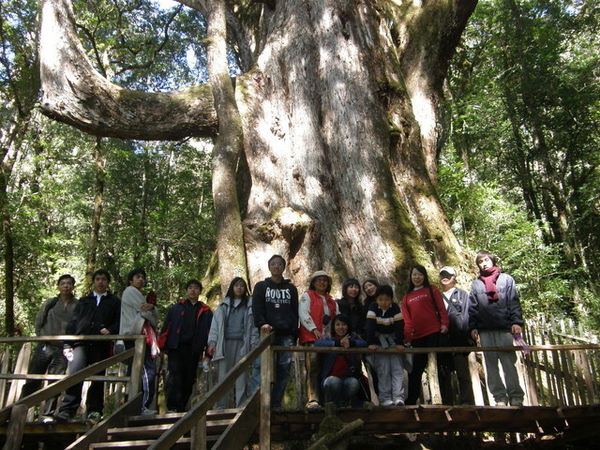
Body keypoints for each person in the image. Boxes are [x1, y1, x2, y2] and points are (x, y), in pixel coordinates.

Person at [54, 269, 121, 423]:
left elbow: (119, 320)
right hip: (81, 343)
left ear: (108, 283)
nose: (100, 282)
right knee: (76, 375)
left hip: (100, 344)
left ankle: (95, 410)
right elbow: (74, 321)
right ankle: (67, 410)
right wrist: (67, 343)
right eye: (97, 279)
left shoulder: (114, 301)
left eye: (103, 279)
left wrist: (110, 330)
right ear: (93, 282)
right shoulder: (84, 300)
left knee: (98, 377)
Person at [468, 251, 525, 407]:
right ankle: (499, 397)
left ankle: (516, 396)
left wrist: (516, 322)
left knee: (508, 363)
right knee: (490, 365)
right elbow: (473, 308)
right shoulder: (476, 284)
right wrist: (473, 327)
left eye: (486, 260)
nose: (484, 263)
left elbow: (514, 302)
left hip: (504, 328)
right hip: (485, 330)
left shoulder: (506, 280)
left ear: (492, 260)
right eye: (480, 262)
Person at [20, 274, 78, 422]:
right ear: (58, 286)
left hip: (63, 349)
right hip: (45, 346)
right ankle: (19, 409)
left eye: (69, 283)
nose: (66, 286)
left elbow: (78, 324)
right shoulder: (50, 303)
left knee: (55, 383)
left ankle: (47, 414)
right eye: (63, 283)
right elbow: (39, 322)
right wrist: (42, 338)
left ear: (73, 286)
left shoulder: (77, 305)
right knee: (33, 378)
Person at [252, 254, 299, 409]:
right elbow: (257, 308)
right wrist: (261, 324)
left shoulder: (291, 289)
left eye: (279, 264)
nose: (276, 266)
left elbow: (295, 310)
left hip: (286, 334)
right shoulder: (261, 286)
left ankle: (276, 403)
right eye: (273, 264)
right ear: (269, 267)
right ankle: (257, 403)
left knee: (284, 369)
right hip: (267, 333)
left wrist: (294, 332)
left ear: (284, 267)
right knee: (260, 367)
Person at [159, 279, 213, 412]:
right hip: (176, 347)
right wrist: (162, 345)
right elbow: (167, 327)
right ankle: (173, 407)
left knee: (189, 379)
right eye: (190, 288)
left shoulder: (205, 311)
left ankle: (182, 406)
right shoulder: (177, 308)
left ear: (200, 291)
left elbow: (210, 332)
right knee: (175, 377)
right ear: (186, 291)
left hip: (194, 349)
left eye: (196, 288)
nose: (193, 290)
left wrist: (208, 352)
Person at [207, 277, 259, 409]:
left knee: (242, 376)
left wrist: (254, 343)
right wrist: (212, 343)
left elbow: (253, 327)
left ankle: (241, 406)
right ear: (232, 287)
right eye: (236, 285)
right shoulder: (224, 306)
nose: (239, 288)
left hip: (243, 343)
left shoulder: (249, 305)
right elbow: (215, 326)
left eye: (242, 286)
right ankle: (221, 407)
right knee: (223, 376)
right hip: (225, 344)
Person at [401, 264, 449, 405]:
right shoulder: (407, 297)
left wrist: (445, 324)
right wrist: (407, 337)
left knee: (437, 366)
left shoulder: (431, 290)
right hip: (417, 337)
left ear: (424, 276)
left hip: (434, 332)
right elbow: (407, 320)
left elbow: (441, 309)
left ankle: (442, 398)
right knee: (415, 370)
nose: (417, 277)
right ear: (411, 277)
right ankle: (411, 399)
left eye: (420, 274)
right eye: (414, 274)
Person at [118, 268, 159, 415]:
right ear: (131, 280)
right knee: (147, 371)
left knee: (136, 371)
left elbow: (153, 315)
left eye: (143, 277)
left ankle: (133, 405)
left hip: (139, 337)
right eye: (137, 277)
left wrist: (152, 309)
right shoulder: (130, 291)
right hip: (135, 336)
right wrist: (152, 309)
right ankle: (142, 406)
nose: (141, 279)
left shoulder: (138, 293)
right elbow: (148, 313)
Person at [299, 270, 339, 409]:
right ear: (313, 283)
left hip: (329, 339)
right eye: (318, 280)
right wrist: (313, 329)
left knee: (327, 369)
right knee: (313, 369)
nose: (322, 282)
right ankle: (312, 400)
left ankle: (327, 400)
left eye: (324, 280)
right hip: (312, 338)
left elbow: (337, 318)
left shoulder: (332, 300)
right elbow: (303, 313)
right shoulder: (308, 295)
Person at [438, 266, 475, 405]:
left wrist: (468, 335)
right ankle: (447, 402)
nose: (445, 277)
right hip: (443, 340)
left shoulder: (461, 294)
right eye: (442, 275)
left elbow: (467, 314)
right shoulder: (437, 297)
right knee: (444, 373)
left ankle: (467, 402)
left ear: (454, 278)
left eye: (448, 275)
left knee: (462, 373)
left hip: (459, 339)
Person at [314, 314, 366, 407]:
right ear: (333, 326)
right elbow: (317, 343)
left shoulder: (353, 338)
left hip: (348, 377)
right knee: (334, 382)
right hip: (330, 378)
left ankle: (343, 403)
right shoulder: (328, 339)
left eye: (343, 324)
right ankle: (334, 404)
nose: (341, 327)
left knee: (354, 383)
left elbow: (364, 343)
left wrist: (351, 343)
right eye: (337, 325)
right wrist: (337, 343)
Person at [365, 285, 405, 406]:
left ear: (391, 300)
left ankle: (399, 397)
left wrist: (399, 343)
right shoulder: (373, 308)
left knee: (397, 370)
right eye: (381, 299)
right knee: (383, 370)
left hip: (392, 341)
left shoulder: (395, 308)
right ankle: (385, 398)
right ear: (376, 300)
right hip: (379, 341)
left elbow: (399, 326)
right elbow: (370, 326)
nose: (384, 302)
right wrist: (371, 342)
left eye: (387, 300)